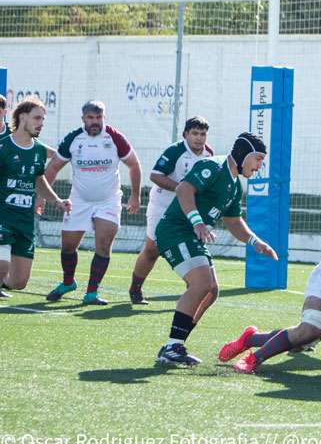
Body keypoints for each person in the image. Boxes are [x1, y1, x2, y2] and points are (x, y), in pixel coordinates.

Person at [155, 132, 278, 366]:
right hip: (176, 230)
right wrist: (197, 222)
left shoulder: (234, 185)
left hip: (191, 234)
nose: (260, 165)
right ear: (244, 155)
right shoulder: (213, 166)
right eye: (258, 158)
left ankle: (176, 344)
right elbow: (183, 189)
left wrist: (256, 242)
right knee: (201, 284)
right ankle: (172, 346)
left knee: (211, 291)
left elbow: (234, 222)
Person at [45, 101, 142, 306]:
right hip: (78, 200)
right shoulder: (73, 139)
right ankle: (68, 282)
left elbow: (134, 165)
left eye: (99, 118)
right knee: (68, 246)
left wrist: (135, 196)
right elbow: (53, 167)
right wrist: (43, 196)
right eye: (90, 118)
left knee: (104, 245)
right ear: (83, 119)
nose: (95, 122)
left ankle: (91, 292)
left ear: (104, 118)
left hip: (108, 201)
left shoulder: (115, 137)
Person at [127, 117, 213, 305]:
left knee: (193, 249)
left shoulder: (209, 155)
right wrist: (182, 190)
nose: (199, 138)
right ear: (185, 135)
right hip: (162, 206)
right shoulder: (176, 151)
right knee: (152, 250)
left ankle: (194, 292)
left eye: (203, 134)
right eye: (195, 133)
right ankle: (135, 289)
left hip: (188, 210)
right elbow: (155, 175)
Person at [0, 97, 71, 299]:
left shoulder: (39, 150)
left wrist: (57, 200)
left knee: (18, 282)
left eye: (43, 119)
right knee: (2, 265)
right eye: (37, 118)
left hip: (24, 221)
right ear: (22, 117)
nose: (41, 123)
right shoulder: (3, 147)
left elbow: (39, 181)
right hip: (2, 217)